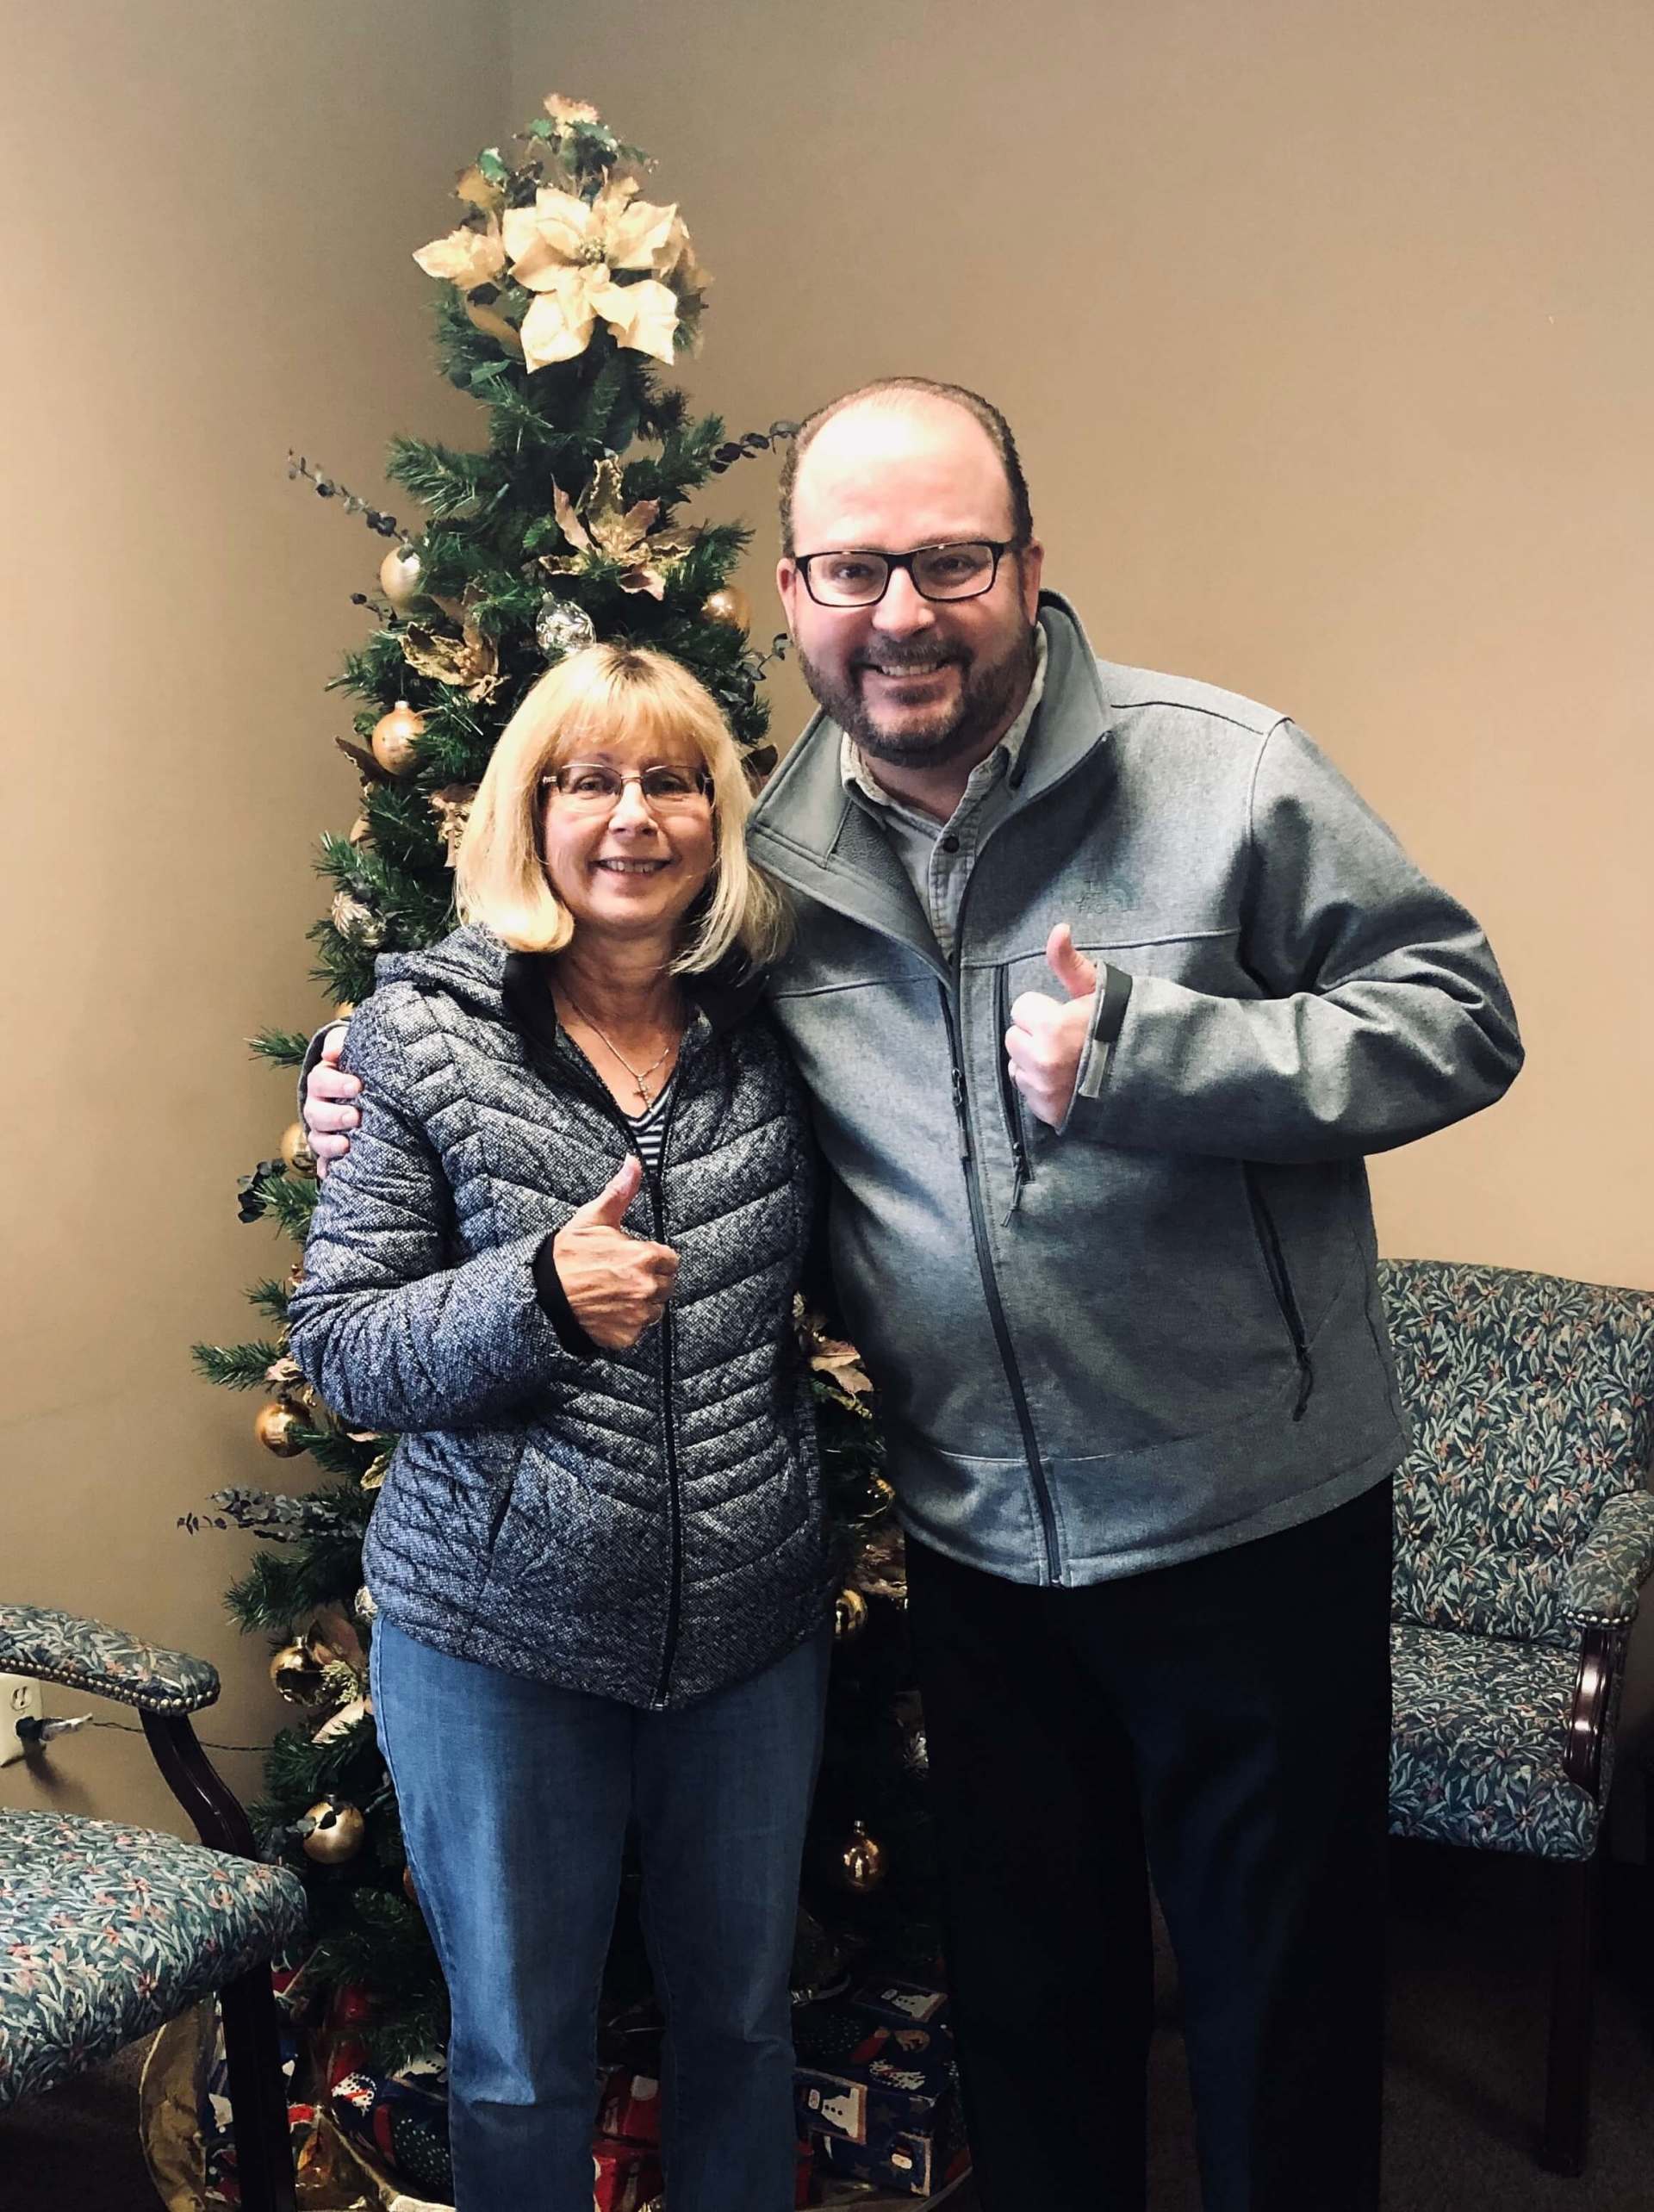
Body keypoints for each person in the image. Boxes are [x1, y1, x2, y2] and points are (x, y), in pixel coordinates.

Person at [305, 380, 1523, 2212]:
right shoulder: (764, 861)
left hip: (1247, 1520)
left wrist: (1158, 1053)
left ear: (1030, 567)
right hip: (980, 1549)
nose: (901, 612)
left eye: (949, 560)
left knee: (1280, 2020)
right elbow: (575, 961)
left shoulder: (1228, 771)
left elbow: (1459, 1017)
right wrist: (364, 1060)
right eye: (854, 567)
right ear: (794, 593)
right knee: (1036, 2014)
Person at [287, 642, 834, 2212]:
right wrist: (532, 1292)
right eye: (585, 780)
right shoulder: (417, 1041)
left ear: (719, 818)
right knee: (520, 2059)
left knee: (741, 2030)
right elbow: (343, 1348)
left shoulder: (780, 1027)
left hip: (750, 1631)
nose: (631, 817)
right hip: (495, 1645)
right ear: (525, 813)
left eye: (671, 780)